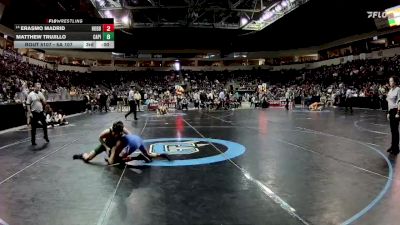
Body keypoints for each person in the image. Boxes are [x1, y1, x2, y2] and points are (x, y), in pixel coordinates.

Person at [386, 76, 400, 156]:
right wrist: (388, 112)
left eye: (391, 81)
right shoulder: (390, 90)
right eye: (389, 81)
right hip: (391, 111)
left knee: (395, 131)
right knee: (392, 130)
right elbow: (389, 102)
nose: (390, 82)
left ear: (395, 82)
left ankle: (396, 148)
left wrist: (398, 112)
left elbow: (399, 101)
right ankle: (392, 146)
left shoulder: (398, 89)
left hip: (396, 111)